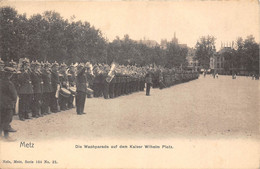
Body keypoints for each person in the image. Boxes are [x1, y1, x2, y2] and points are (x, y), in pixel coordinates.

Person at [0, 67, 17, 141]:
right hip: (8, 104)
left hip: (1, 104)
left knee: (1, 119)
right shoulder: (9, 83)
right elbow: (14, 95)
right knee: (7, 120)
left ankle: (0, 136)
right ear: (10, 75)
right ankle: (7, 136)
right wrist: (14, 101)